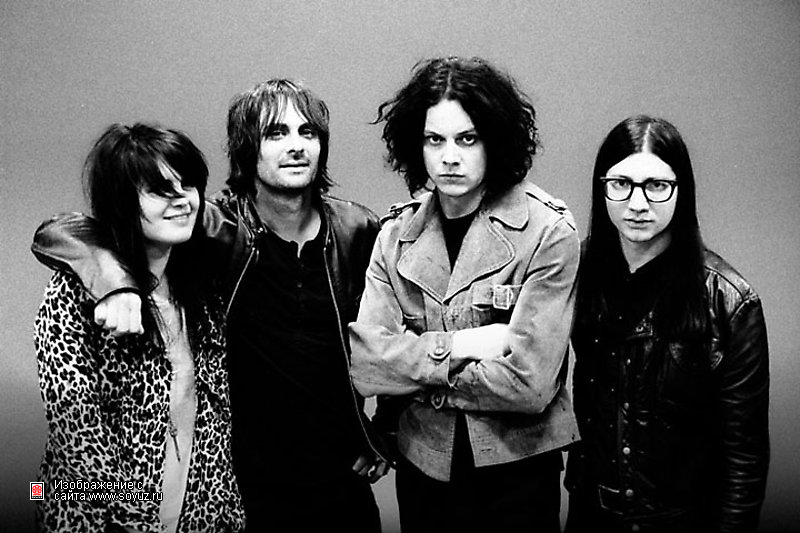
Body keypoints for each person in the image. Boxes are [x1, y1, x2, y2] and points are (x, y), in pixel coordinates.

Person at [32, 80, 390, 532]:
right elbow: (64, 231)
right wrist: (115, 285)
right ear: (247, 148)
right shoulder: (214, 229)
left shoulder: (356, 230)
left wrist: (385, 430)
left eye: (308, 132)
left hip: (314, 484)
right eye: (276, 133)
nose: (296, 146)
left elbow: (397, 332)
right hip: (233, 487)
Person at [348, 56, 581, 532]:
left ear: (494, 139)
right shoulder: (395, 235)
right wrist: (463, 345)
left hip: (518, 472)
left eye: (467, 138)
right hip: (424, 470)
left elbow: (530, 385)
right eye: (435, 140)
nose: (449, 157)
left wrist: (416, 374)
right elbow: (368, 365)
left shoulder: (547, 231)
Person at [33, 123, 244, 532]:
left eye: (187, 185)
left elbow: (214, 417)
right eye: (160, 190)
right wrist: (136, 515)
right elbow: (77, 433)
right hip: (98, 518)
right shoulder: (73, 293)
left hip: (192, 513)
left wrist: (225, 511)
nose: (181, 199)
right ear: (122, 202)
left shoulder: (203, 289)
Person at [564, 115, 770, 532]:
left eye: (657, 185)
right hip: (591, 516)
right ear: (602, 188)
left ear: (681, 189)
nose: (637, 203)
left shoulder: (729, 301)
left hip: (683, 522)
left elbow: (744, 459)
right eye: (621, 183)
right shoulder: (572, 272)